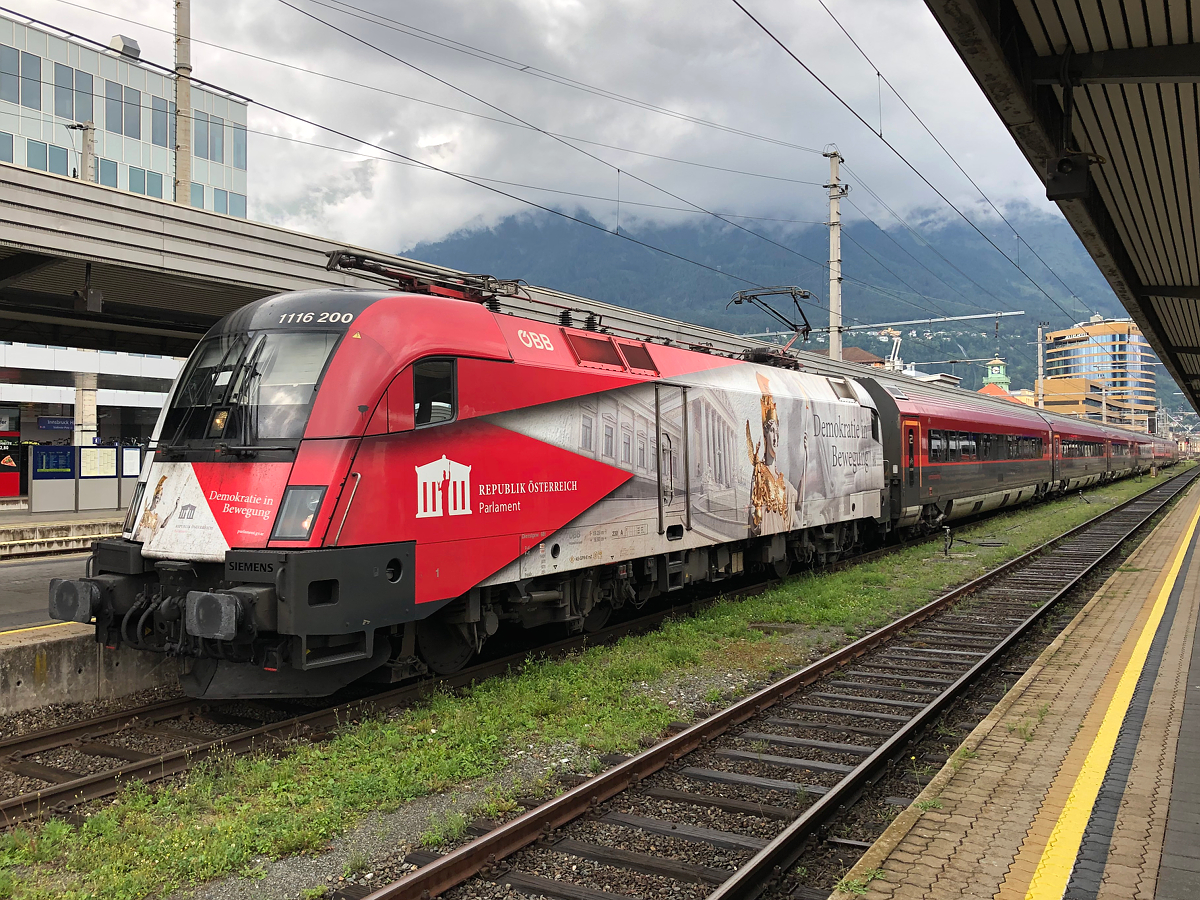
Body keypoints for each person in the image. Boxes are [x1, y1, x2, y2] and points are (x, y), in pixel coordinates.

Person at [746, 372, 796, 535]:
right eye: (771, 431)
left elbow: (796, 500)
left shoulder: (782, 481)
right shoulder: (759, 472)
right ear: (765, 433)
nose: (775, 437)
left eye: (777, 432)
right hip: (767, 527)